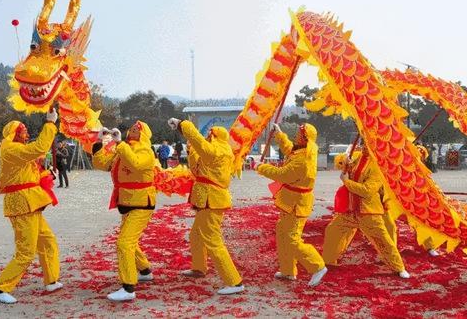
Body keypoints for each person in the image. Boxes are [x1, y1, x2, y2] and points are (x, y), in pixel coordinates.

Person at [0, 109, 62, 304]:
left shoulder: (17, 151)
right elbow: (39, 148)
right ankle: (1, 288)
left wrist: (47, 175)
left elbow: (30, 176)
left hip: (31, 202)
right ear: (13, 133)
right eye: (22, 131)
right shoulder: (10, 149)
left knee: (47, 241)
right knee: (26, 251)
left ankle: (51, 280)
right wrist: (49, 123)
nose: (26, 134)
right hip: (21, 204)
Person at [168, 117, 244, 295]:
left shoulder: (220, 151)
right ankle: (199, 267)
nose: (208, 136)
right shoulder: (214, 152)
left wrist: (182, 125)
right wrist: (191, 147)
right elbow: (196, 168)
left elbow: (201, 144)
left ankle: (234, 281)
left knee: (212, 239)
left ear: (216, 136)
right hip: (207, 198)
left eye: (210, 134)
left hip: (213, 199)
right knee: (196, 235)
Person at [91, 121, 157, 302]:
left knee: (124, 242)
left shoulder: (146, 151)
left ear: (143, 134)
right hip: (127, 201)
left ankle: (128, 287)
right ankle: (144, 270)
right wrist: (100, 142)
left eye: (136, 129)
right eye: (132, 128)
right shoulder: (123, 148)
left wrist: (120, 144)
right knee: (129, 240)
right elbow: (102, 164)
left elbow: (135, 164)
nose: (132, 130)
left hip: (142, 202)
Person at [322, 144, 410, 279]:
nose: (364, 146)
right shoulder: (357, 156)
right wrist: (345, 161)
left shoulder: (378, 166)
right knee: (333, 231)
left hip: (368, 212)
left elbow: (367, 191)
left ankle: (399, 267)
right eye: (364, 142)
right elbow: (339, 162)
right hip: (350, 210)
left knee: (383, 240)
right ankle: (327, 261)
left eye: (368, 143)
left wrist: (346, 182)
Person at [256, 123, 328, 286]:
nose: (296, 136)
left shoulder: (303, 160)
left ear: (305, 138)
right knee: (282, 232)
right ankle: (288, 270)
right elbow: (290, 149)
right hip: (291, 201)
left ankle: (317, 266)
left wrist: (261, 168)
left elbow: (283, 174)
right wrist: (280, 134)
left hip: (297, 203)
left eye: (299, 134)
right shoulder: (303, 151)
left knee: (291, 238)